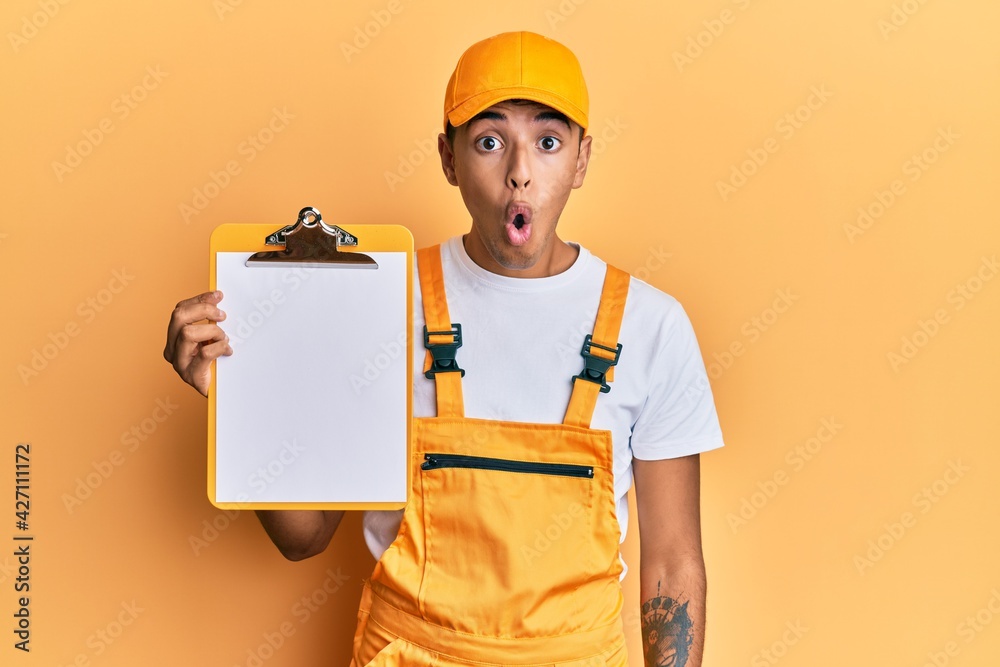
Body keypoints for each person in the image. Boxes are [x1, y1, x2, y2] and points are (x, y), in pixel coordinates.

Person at [164, 31, 724, 667]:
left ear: (582, 159)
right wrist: (238, 403)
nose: (519, 171)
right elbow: (305, 535)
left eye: (548, 142)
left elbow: (674, 564)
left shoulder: (652, 326)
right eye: (489, 141)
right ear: (448, 158)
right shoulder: (378, 302)